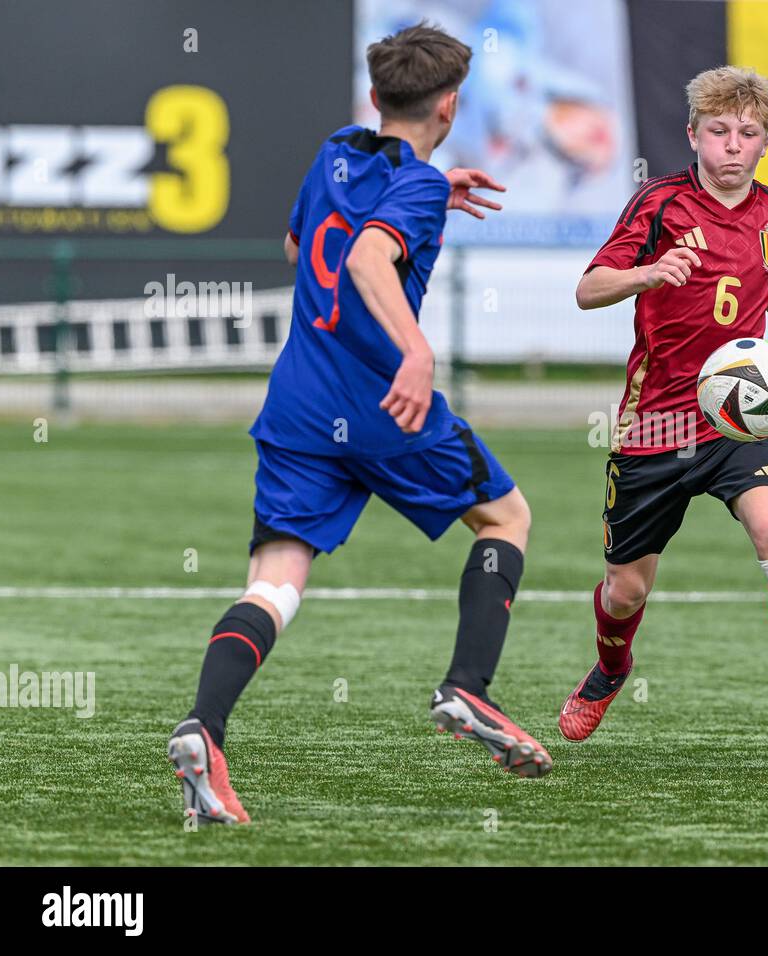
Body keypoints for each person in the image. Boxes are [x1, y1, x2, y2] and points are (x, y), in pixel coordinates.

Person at [167, 23, 551, 826]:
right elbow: (367, 260)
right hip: (381, 404)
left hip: (297, 404)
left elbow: (300, 245)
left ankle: (206, 728)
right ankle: (467, 690)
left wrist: (420, 199)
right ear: (449, 107)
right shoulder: (414, 183)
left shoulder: (334, 151)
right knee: (506, 516)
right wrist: (414, 350)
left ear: (375, 99)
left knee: (275, 580)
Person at [557, 66, 768, 754]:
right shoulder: (658, 205)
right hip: (652, 425)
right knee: (625, 592)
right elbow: (588, 289)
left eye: (748, 133)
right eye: (719, 132)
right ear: (693, 135)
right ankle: (611, 668)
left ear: (766, 143)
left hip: (734, 420)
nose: (733, 146)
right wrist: (647, 273)